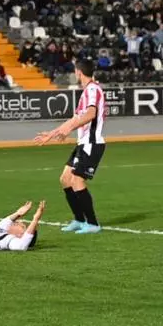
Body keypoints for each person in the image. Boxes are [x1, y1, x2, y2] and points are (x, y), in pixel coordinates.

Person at [34, 59, 105, 233]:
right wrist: (51, 134)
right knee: (65, 179)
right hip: (83, 143)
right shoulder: (87, 91)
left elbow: (91, 114)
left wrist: (69, 129)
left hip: (92, 143)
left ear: (78, 72)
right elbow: (74, 119)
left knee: (77, 180)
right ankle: (79, 220)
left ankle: (93, 224)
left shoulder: (93, 89)